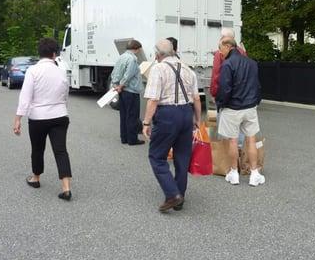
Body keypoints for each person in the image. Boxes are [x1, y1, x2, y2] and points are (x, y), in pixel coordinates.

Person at [142, 39, 202, 212]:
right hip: (186, 113)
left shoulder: (158, 69)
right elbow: (197, 98)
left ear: (158, 54)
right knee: (182, 158)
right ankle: (180, 197)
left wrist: (146, 122)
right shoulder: (188, 69)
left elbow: (153, 99)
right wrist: (197, 120)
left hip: (167, 114)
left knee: (157, 156)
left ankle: (172, 194)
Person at [13, 38, 73, 200]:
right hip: (60, 115)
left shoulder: (33, 71)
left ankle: (36, 178)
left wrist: (18, 118)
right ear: (54, 54)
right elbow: (65, 93)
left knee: (38, 149)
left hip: (38, 117)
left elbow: (25, 97)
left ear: (39, 53)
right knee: (61, 150)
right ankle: (66, 187)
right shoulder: (61, 71)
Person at [216, 37, 265, 187]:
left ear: (228, 46)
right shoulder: (251, 63)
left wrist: (220, 104)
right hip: (250, 107)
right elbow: (257, 85)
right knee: (251, 139)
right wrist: (256, 101)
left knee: (233, 140)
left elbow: (224, 89)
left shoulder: (227, 64)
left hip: (232, 108)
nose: (220, 52)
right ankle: (255, 174)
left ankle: (234, 173)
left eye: (221, 48)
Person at [110, 39, 144, 145]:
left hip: (123, 92)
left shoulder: (121, 57)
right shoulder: (132, 59)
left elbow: (115, 73)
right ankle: (132, 139)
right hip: (131, 91)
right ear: (136, 48)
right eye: (139, 49)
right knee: (132, 115)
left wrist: (116, 85)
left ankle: (124, 138)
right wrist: (121, 85)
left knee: (124, 114)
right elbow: (128, 75)